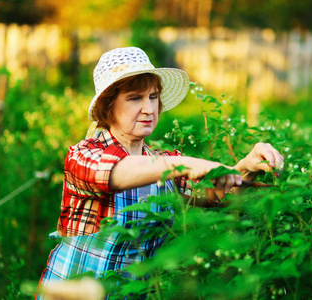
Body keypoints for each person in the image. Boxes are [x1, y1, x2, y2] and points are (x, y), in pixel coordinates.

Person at [36, 47, 283, 299]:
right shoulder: (84, 155)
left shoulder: (161, 161)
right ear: (108, 106)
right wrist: (185, 164)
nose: (148, 109)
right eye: (135, 98)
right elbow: (113, 172)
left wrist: (246, 167)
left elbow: (217, 192)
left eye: (153, 97)